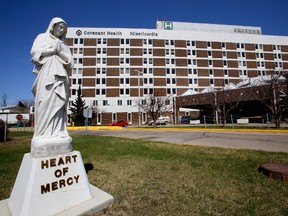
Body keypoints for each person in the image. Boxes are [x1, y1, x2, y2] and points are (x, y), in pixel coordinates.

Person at [30, 17, 73, 157]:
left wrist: (59, 51)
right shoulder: (41, 38)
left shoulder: (64, 45)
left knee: (59, 104)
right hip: (47, 75)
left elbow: (70, 62)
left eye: (64, 29)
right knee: (44, 101)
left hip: (61, 77)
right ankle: (42, 133)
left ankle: (58, 131)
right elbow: (34, 53)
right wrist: (51, 51)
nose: (61, 30)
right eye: (59, 27)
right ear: (52, 26)